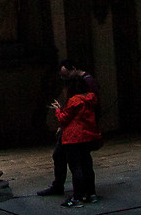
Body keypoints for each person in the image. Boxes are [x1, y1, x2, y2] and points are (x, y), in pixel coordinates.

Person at [40, 65, 98, 196]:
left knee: (75, 165)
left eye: (65, 75)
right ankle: (90, 192)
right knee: (86, 163)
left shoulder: (74, 100)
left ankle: (78, 194)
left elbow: (65, 117)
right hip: (86, 134)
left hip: (73, 136)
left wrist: (58, 110)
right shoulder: (88, 98)